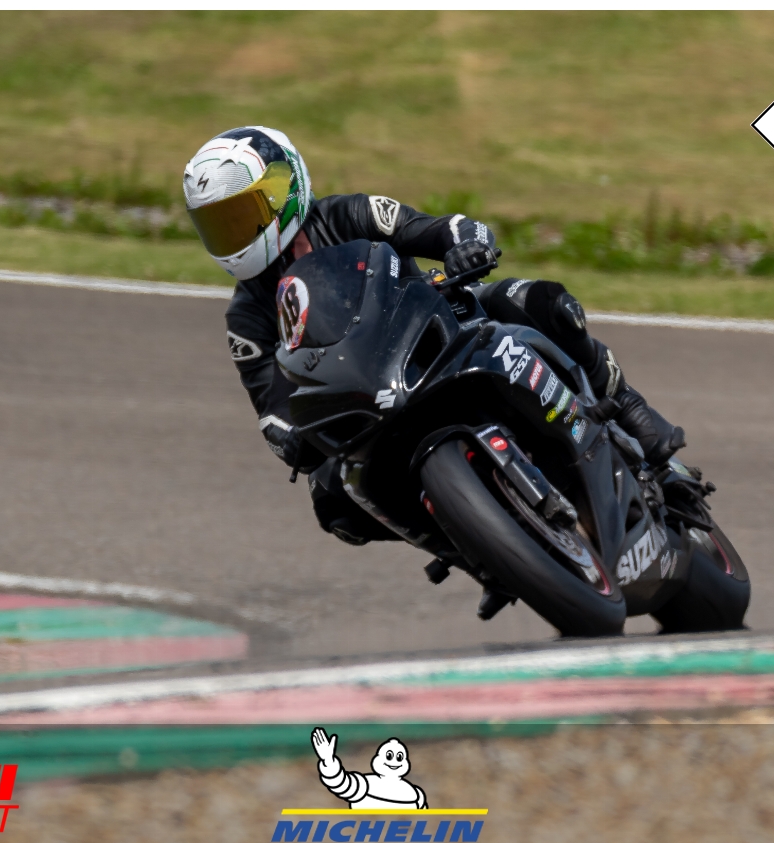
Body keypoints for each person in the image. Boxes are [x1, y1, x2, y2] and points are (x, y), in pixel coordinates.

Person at [184, 126, 683, 545]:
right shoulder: (246, 318)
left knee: (541, 303)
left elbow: (443, 228)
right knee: (333, 501)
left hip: (438, 326)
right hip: (365, 397)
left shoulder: (348, 215)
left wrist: (465, 246)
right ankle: (471, 540)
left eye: (241, 214)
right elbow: (271, 404)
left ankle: (629, 407)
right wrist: (286, 435)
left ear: (283, 190)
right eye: (219, 225)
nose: (234, 233)